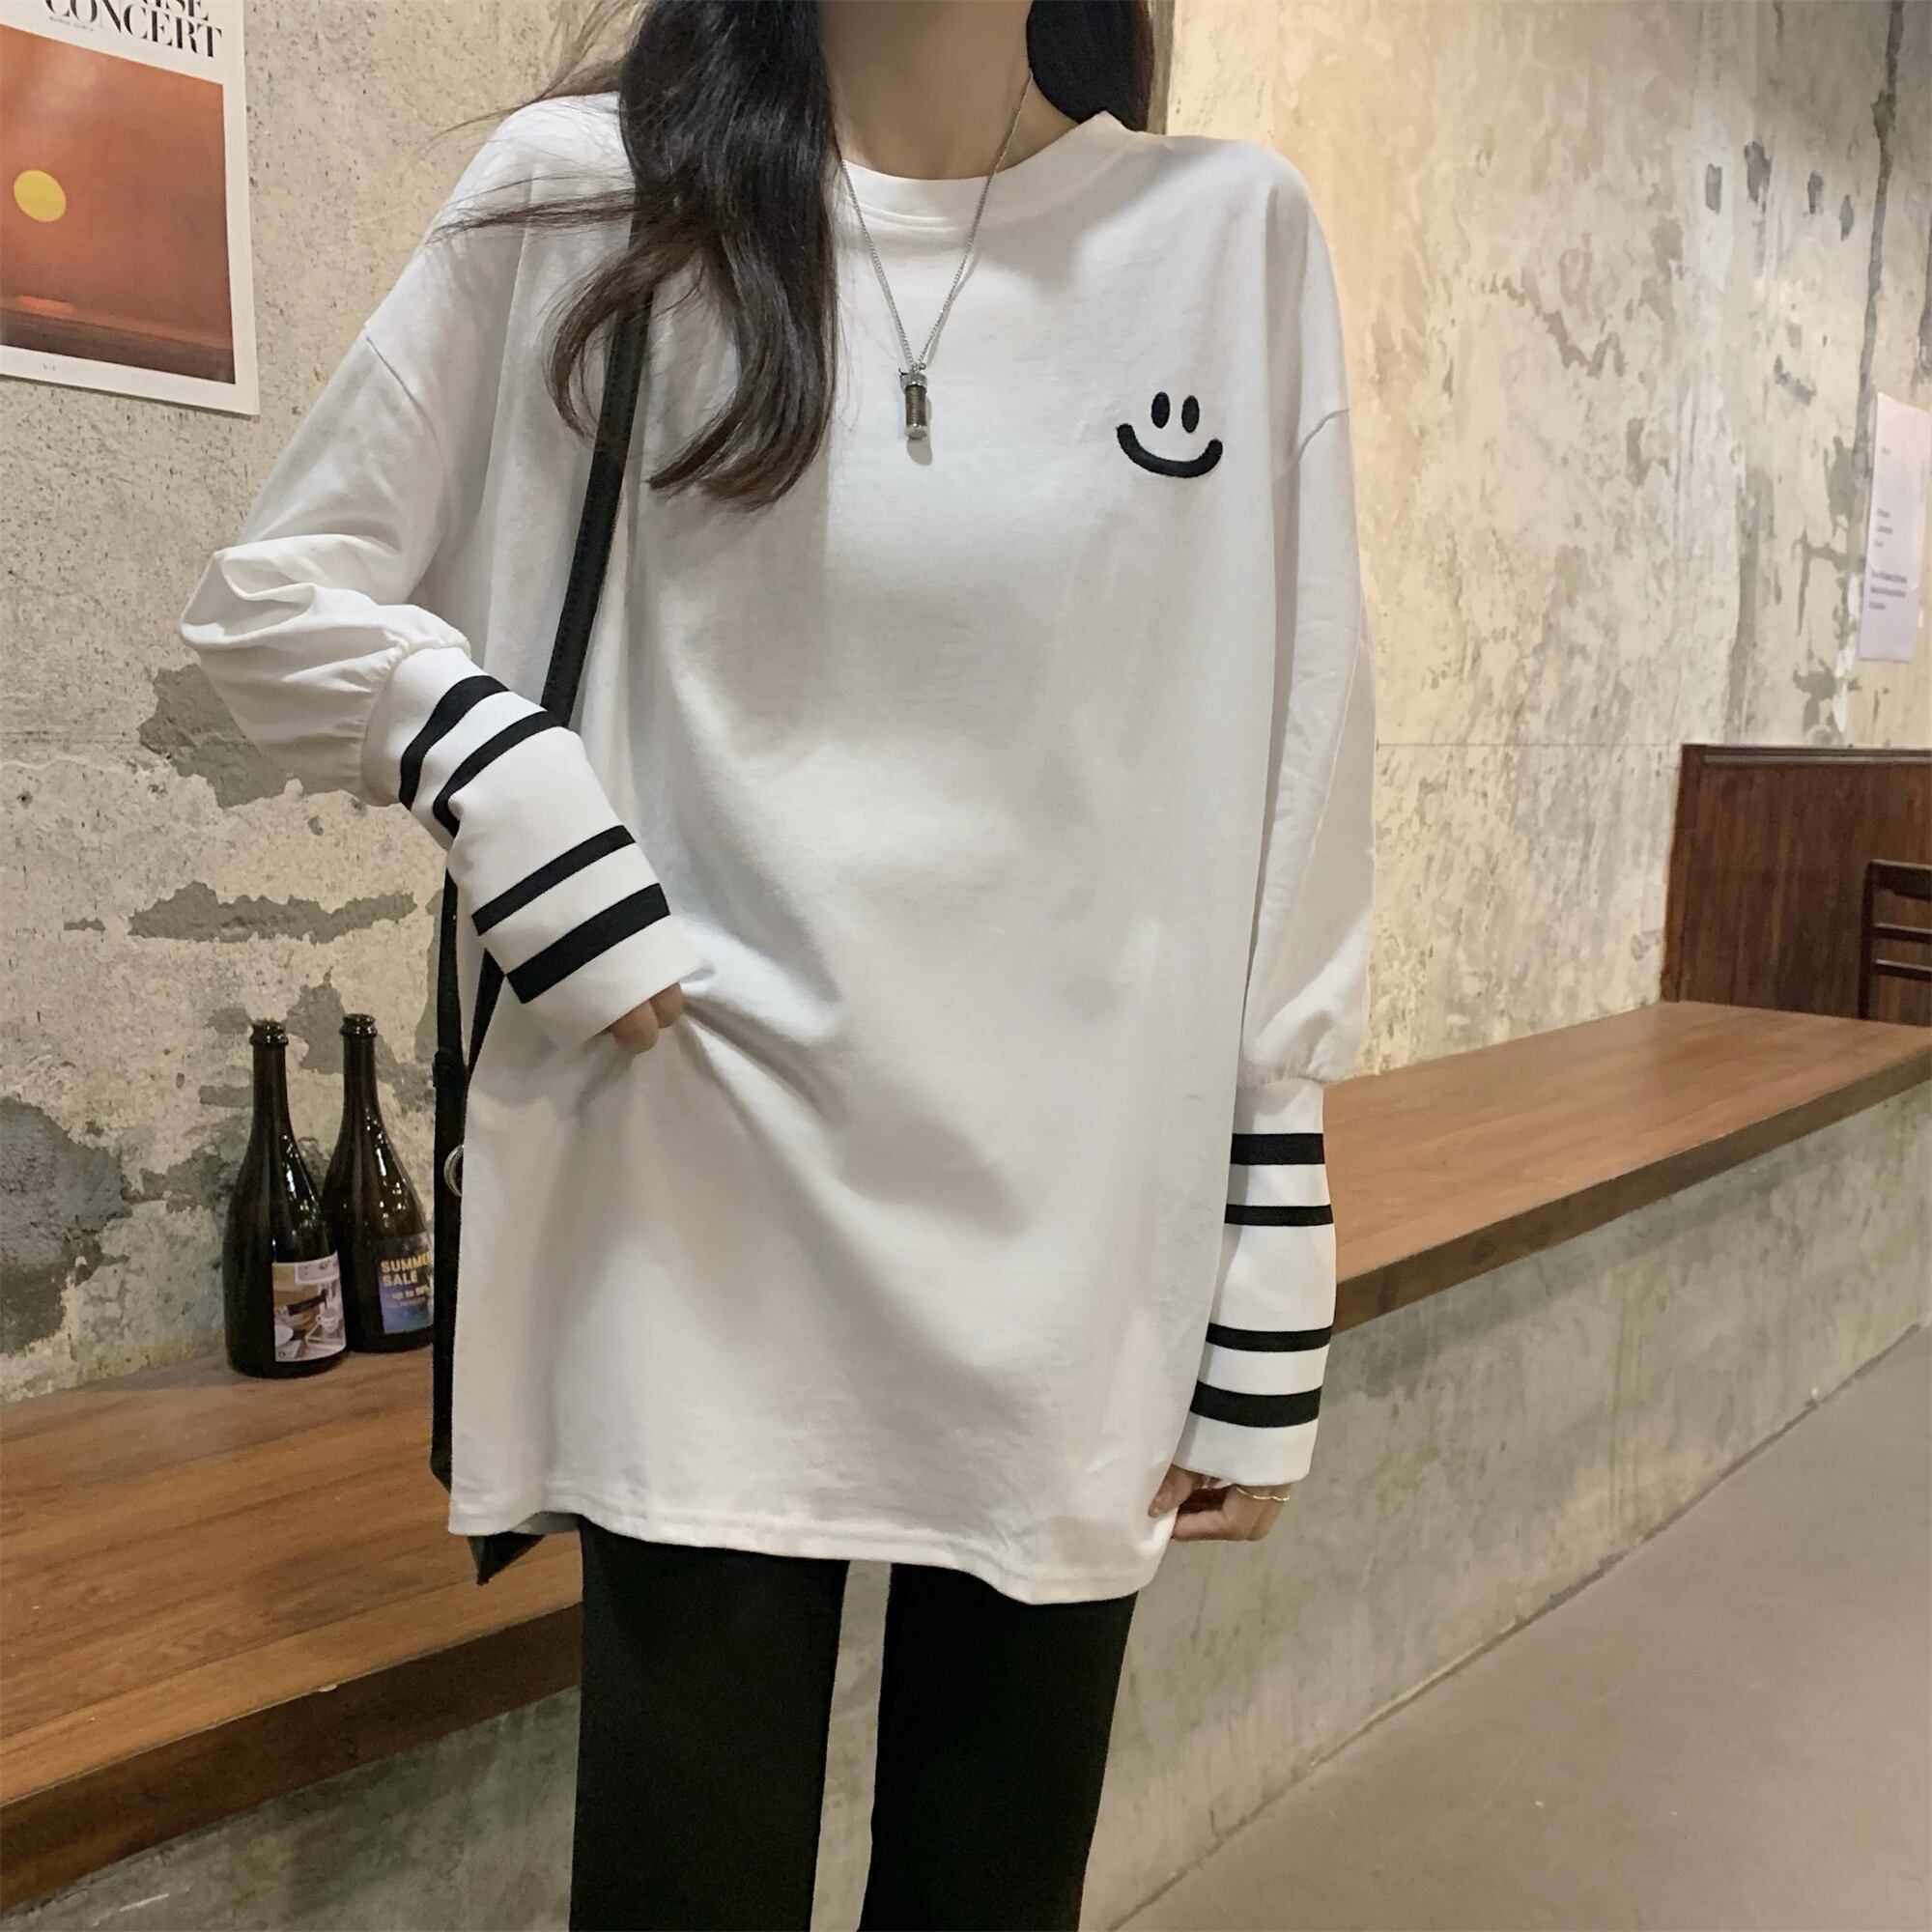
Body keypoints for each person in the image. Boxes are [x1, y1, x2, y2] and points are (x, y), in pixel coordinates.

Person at [179, 0, 1375, 1923]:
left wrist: (1269, 1250)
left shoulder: (1225, 239)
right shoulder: (590, 203)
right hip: (696, 1213)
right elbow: (272, 600)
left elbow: (1296, 766)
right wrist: (507, 785)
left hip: (1077, 1255)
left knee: (994, 1888)